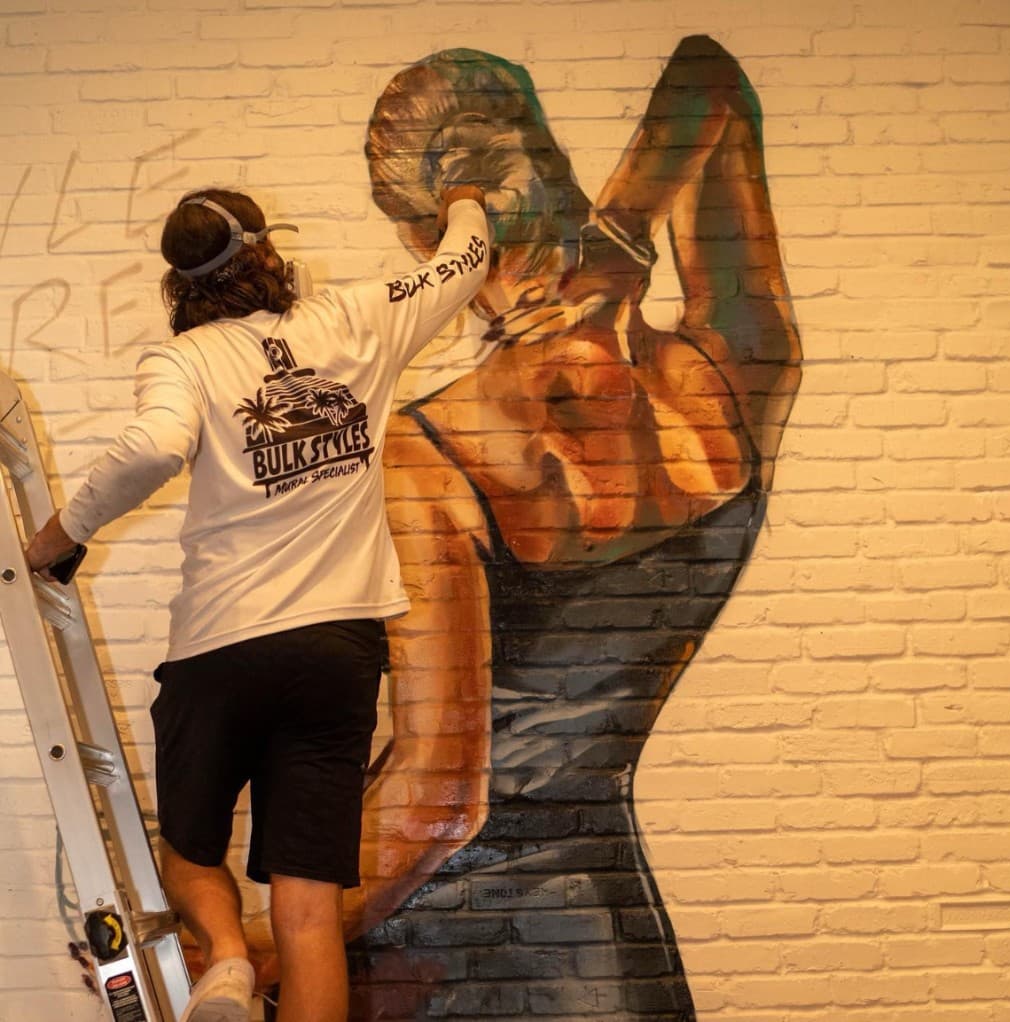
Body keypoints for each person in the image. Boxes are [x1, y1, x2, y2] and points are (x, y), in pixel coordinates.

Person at [326, 37, 801, 1020]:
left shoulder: (431, 460)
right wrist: (617, 223)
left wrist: (263, 942)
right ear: (553, 165)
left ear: (429, 245)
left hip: (439, 961)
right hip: (615, 955)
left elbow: (435, 806)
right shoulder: (730, 376)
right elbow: (708, 78)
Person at [25, 181, 490, 1022]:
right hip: (336, 654)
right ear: (269, 249)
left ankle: (230, 962)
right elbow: (464, 263)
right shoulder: (360, 316)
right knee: (309, 904)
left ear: (180, 285)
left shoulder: (185, 359)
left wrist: (59, 536)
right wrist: (463, 202)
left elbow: (155, 445)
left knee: (189, 854)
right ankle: (244, 968)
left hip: (223, 645)